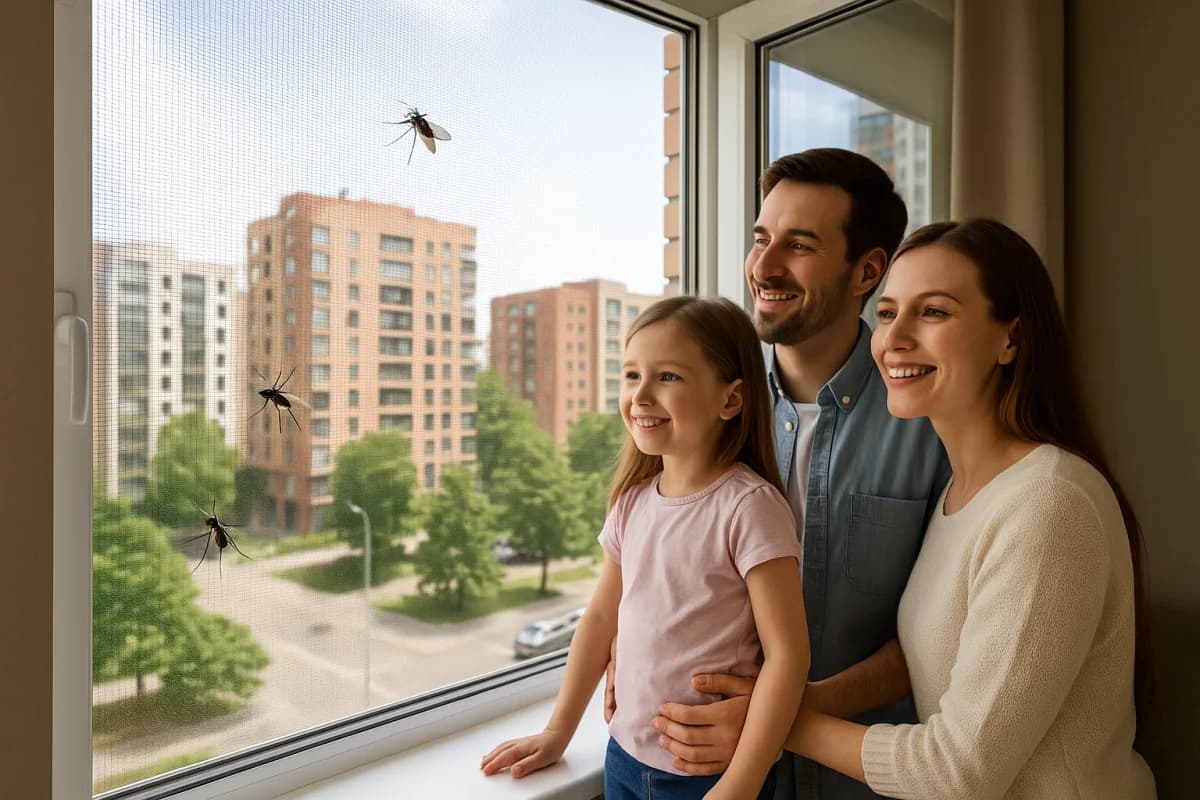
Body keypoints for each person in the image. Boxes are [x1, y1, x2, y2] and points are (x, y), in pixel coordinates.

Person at [777, 218, 1156, 798]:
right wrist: (805, 698)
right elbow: (942, 648)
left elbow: (955, 771)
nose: (894, 337)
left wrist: (775, 723)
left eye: (933, 312)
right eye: (886, 313)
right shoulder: (964, 491)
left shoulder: (1047, 504)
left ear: (1011, 339)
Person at [633, 149, 952, 800]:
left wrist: (781, 715)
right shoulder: (705, 403)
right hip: (694, 770)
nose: (764, 266)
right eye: (760, 238)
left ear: (868, 271)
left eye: (798, 245)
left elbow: (944, 632)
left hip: (861, 782)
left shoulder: (935, 422)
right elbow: (647, 545)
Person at [480, 296, 811, 800]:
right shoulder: (632, 503)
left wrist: (742, 783)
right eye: (632, 376)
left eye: (668, 377)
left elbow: (788, 657)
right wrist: (558, 731)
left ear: (731, 400)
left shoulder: (750, 508)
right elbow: (597, 622)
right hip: (624, 760)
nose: (641, 395)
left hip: (707, 777)